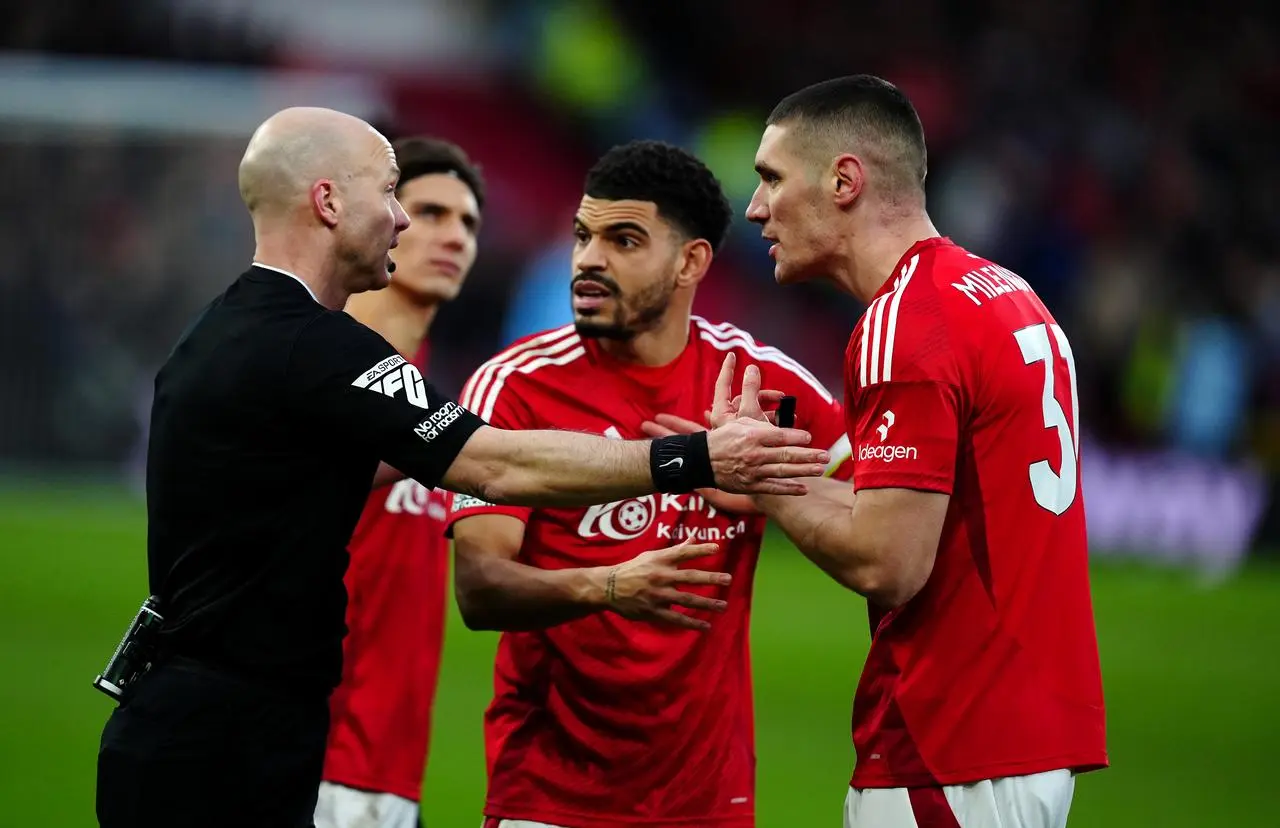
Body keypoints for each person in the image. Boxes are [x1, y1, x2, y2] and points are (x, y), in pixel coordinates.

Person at [93, 107, 830, 828]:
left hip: (184, 718)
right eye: (390, 193)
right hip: (235, 738)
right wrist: (695, 456)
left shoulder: (217, 334)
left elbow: (350, 471)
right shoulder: (322, 350)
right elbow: (494, 465)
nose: (404, 220)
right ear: (326, 202)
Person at [733, 75, 1108, 828]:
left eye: (770, 178)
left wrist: (761, 482)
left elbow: (889, 561)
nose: (755, 208)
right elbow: (925, 514)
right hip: (1026, 740)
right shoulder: (1003, 291)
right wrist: (770, 474)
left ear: (845, 180)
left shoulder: (904, 325)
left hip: (949, 745)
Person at [445, 140, 855, 828]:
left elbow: (879, 524)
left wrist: (774, 493)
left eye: (623, 240)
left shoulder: (764, 384)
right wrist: (606, 587)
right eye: (583, 235)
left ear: (691, 261)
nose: (589, 259)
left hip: (710, 801)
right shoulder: (513, 387)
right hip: (549, 797)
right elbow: (480, 586)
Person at [315, 136, 485, 828]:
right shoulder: (310, 368)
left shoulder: (438, 398)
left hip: (389, 774)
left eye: (469, 222)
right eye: (432, 212)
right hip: (299, 753)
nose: (453, 236)